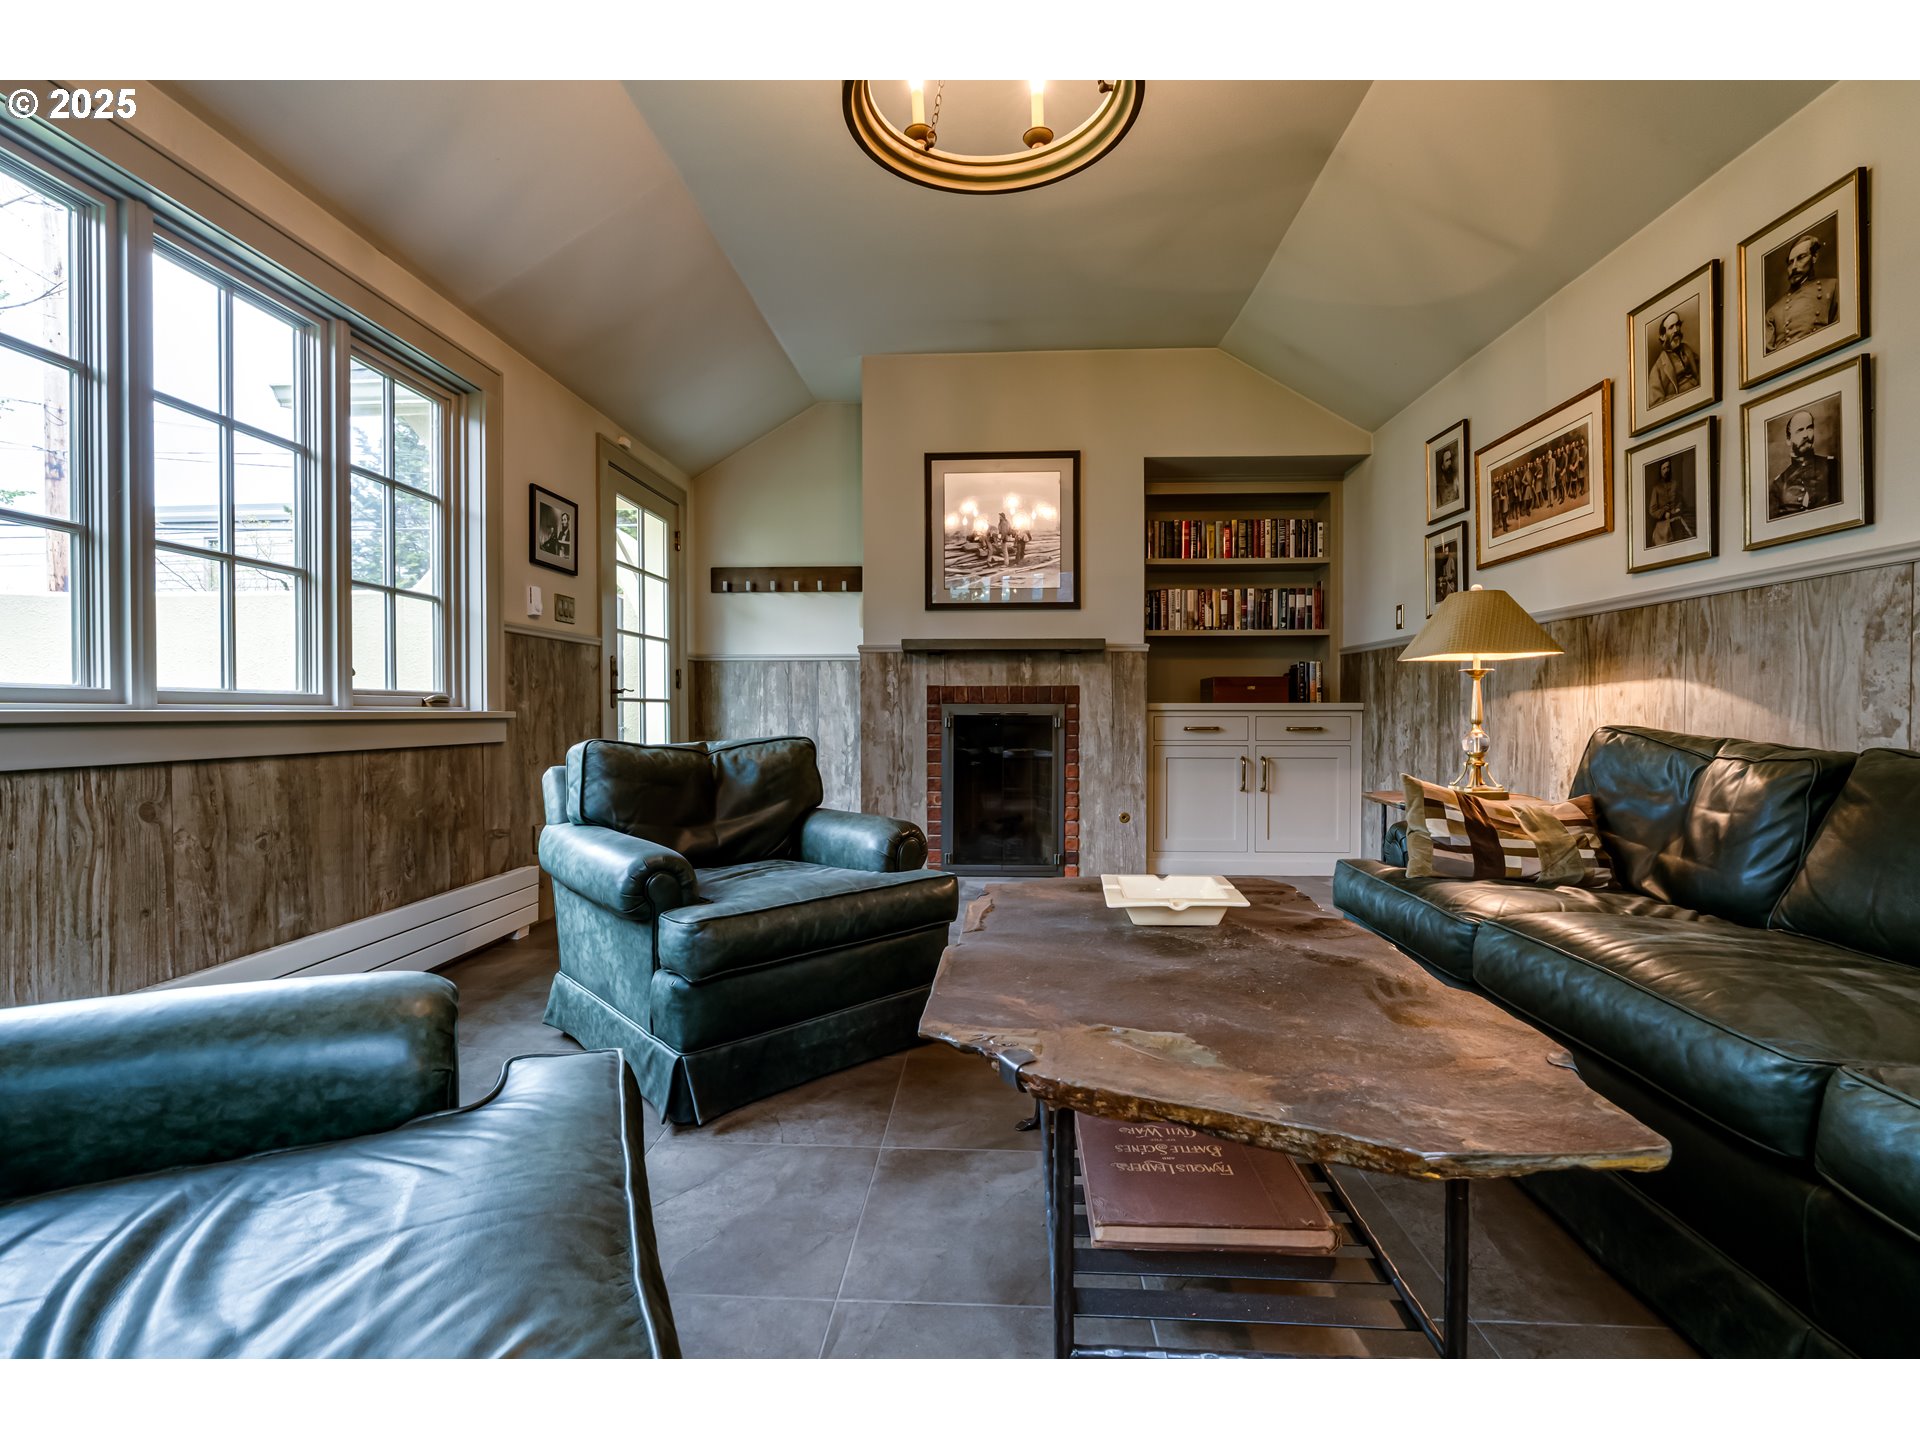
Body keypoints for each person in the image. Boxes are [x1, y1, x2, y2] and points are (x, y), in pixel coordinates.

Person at [1764, 233, 1839, 354]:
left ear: (1814, 257)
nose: (1793, 267)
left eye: (1801, 258)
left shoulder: (1832, 287)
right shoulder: (1774, 310)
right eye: (1790, 262)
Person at [1768, 408, 1840, 516]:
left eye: (1809, 428)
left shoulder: (1831, 466)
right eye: (1800, 430)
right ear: (1788, 439)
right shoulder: (1778, 484)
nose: (1806, 435)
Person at [1647, 309, 1701, 406]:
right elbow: (1656, 403)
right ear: (1662, 336)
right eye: (1671, 327)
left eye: (1677, 325)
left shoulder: (1687, 350)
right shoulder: (1657, 369)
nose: (1676, 330)